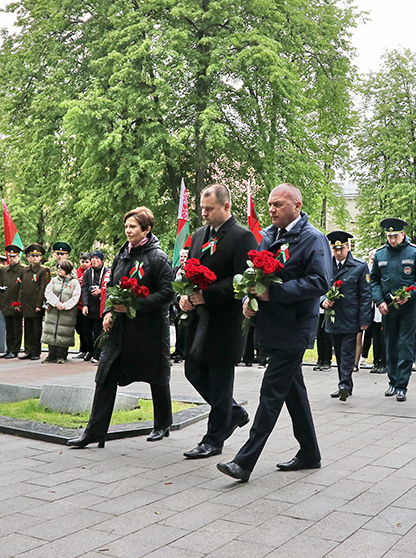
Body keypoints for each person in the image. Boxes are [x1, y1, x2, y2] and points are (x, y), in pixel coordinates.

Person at [217, 184, 331, 482]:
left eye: (278, 204)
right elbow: (256, 276)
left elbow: (320, 282)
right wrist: (248, 299)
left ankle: (245, 461)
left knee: (271, 393)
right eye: (270, 204)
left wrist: (273, 294)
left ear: (297, 205)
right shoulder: (268, 235)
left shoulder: (312, 238)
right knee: (294, 392)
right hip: (271, 325)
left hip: (294, 326)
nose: (271, 209)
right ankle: (310, 452)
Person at [67, 207, 175, 448]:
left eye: (133, 227)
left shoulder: (158, 257)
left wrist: (137, 305)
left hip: (150, 331)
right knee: (104, 375)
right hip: (120, 331)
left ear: (146, 229)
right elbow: (112, 288)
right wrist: (107, 311)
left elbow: (168, 293)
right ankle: (94, 431)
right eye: (126, 226)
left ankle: (162, 423)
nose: (128, 231)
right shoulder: (122, 254)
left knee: (157, 377)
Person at [179, 184, 258, 459]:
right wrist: (186, 296)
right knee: (193, 370)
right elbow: (191, 271)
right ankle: (233, 412)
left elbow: (242, 280)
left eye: (209, 209)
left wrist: (207, 296)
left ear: (226, 206)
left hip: (226, 320)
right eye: (202, 208)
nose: (204, 214)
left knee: (220, 379)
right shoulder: (199, 235)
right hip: (200, 319)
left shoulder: (242, 237)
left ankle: (214, 439)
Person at [370, 218, 416, 401]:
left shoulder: (415, 252)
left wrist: (409, 295)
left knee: (405, 345)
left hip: (408, 307)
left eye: (395, 236)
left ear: (403, 234)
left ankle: (402, 385)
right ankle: (392, 382)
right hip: (389, 307)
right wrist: (379, 301)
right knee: (391, 344)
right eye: (389, 236)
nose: (392, 240)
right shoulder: (380, 255)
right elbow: (375, 281)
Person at [323, 231, 372, 401]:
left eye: (341, 248)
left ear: (348, 247)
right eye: (335, 249)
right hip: (334, 317)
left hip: (351, 317)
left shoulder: (359, 266)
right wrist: (323, 301)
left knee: (348, 352)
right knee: (338, 352)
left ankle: (344, 384)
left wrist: (365, 319)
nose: (338, 252)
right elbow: (320, 287)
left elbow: (366, 295)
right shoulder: (326, 266)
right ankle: (344, 383)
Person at [41, 259, 81, 363]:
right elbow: (48, 292)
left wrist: (65, 306)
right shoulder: (54, 280)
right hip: (53, 311)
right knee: (51, 332)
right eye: (58, 268)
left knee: (64, 333)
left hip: (67, 313)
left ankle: (61, 356)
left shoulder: (74, 282)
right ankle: (51, 355)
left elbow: (75, 297)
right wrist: (56, 303)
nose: (59, 270)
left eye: (61, 268)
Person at [20, 244, 51, 360]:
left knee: (36, 329)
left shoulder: (44, 271)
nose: (34, 258)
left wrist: (39, 304)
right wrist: (19, 302)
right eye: (31, 256)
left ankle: (36, 352)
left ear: (40, 257)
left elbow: (43, 288)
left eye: (36, 256)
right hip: (26, 303)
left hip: (36, 304)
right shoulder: (25, 270)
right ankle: (28, 350)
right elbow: (22, 287)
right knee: (27, 329)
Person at [79, 250, 108, 362]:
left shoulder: (107, 271)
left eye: (97, 258)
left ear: (101, 260)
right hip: (89, 306)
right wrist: (85, 305)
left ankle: (98, 353)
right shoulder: (87, 272)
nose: (94, 261)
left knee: (98, 332)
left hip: (100, 306)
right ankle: (89, 351)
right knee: (86, 331)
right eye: (93, 258)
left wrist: (101, 291)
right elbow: (85, 288)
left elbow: (109, 287)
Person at [0, 245, 26, 358]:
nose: (12, 259)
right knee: (8, 328)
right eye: (10, 256)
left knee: (17, 328)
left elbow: (23, 288)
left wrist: (19, 303)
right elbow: (0, 287)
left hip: (16, 303)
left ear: (18, 257)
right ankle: (9, 349)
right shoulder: (4, 270)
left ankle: (15, 350)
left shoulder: (23, 270)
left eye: (14, 257)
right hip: (6, 302)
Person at [71, 252, 92, 361]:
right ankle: (82, 349)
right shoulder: (76, 272)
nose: (84, 264)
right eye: (82, 262)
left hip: (86, 305)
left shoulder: (91, 272)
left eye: (86, 262)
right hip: (77, 305)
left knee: (86, 329)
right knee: (79, 328)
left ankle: (88, 350)